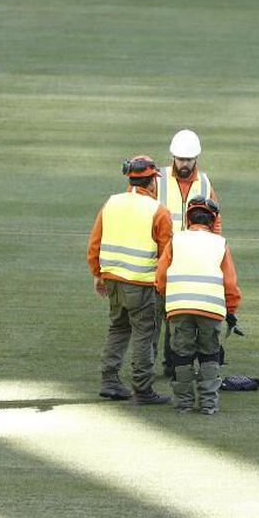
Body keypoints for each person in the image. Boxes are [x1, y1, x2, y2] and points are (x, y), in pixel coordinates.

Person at [87, 155, 174, 405]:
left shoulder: (112, 203)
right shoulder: (158, 211)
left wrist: (98, 274)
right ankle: (143, 388)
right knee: (145, 335)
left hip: (113, 281)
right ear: (151, 182)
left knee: (118, 328)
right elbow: (167, 254)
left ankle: (110, 380)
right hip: (143, 285)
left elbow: (95, 244)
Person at [155, 197, 242, 415]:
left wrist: (169, 297)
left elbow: (161, 276)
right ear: (213, 220)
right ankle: (208, 404)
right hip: (211, 309)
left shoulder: (176, 241)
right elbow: (230, 283)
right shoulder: (219, 243)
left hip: (179, 308)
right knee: (209, 355)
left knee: (181, 356)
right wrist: (231, 311)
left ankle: (184, 403)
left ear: (188, 218)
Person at [155, 128, 221, 376]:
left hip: (191, 263)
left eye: (188, 160)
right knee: (156, 319)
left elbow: (215, 219)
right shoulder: (158, 179)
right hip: (162, 259)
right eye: (180, 159)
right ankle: (153, 366)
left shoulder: (204, 182)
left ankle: (173, 366)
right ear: (173, 156)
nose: (184, 164)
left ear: (196, 158)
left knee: (178, 317)